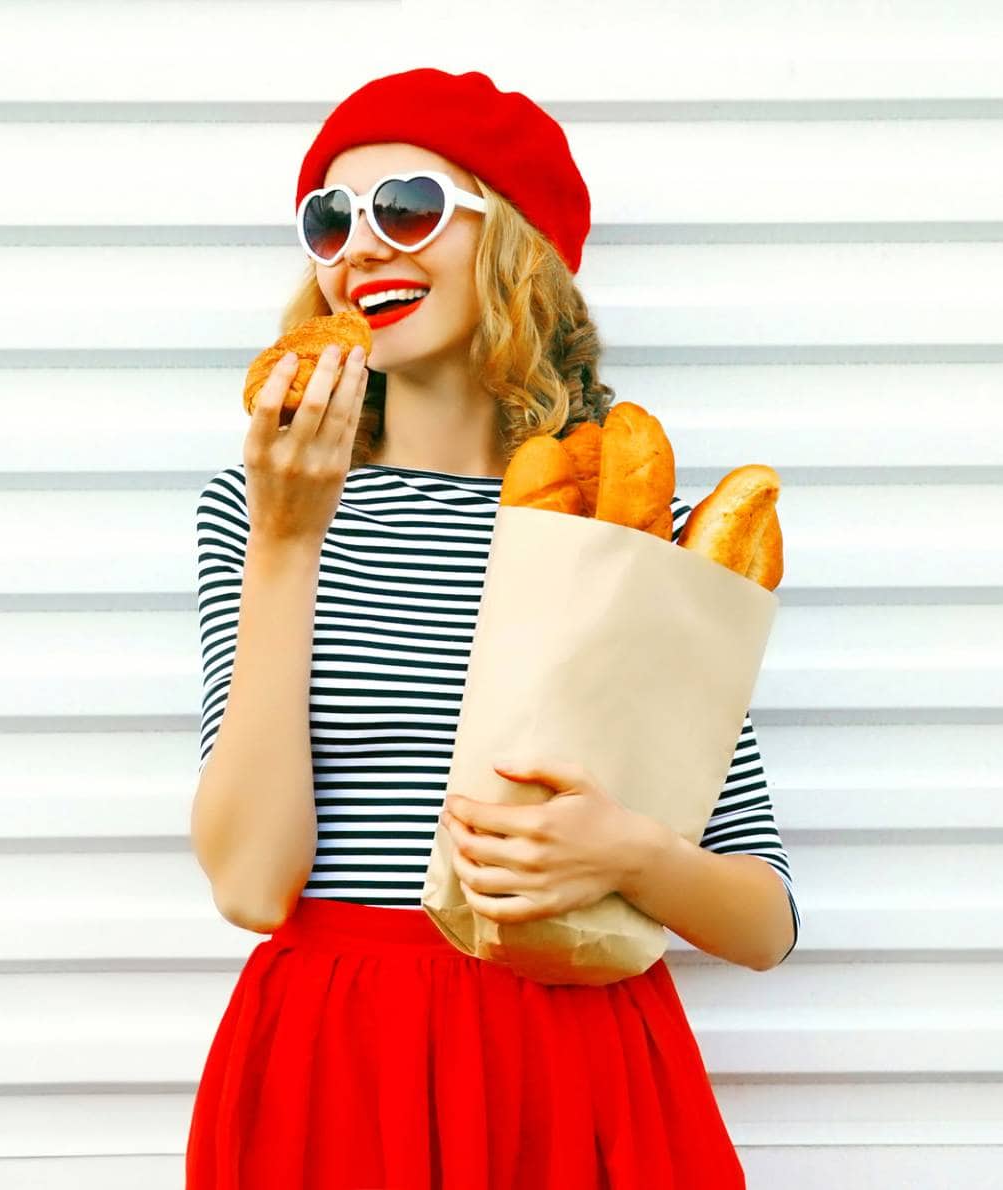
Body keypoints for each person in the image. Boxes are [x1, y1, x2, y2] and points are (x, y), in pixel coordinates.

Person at [186, 67, 798, 1190]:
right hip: (337, 1062)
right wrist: (287, 537)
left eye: (406, 207)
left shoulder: (629, 515)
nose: (360, 248)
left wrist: (632, 853)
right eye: (330, 219)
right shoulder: (259, 501)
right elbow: (250, 882)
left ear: (512, 241)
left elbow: (764, 917)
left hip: (578, 1064)